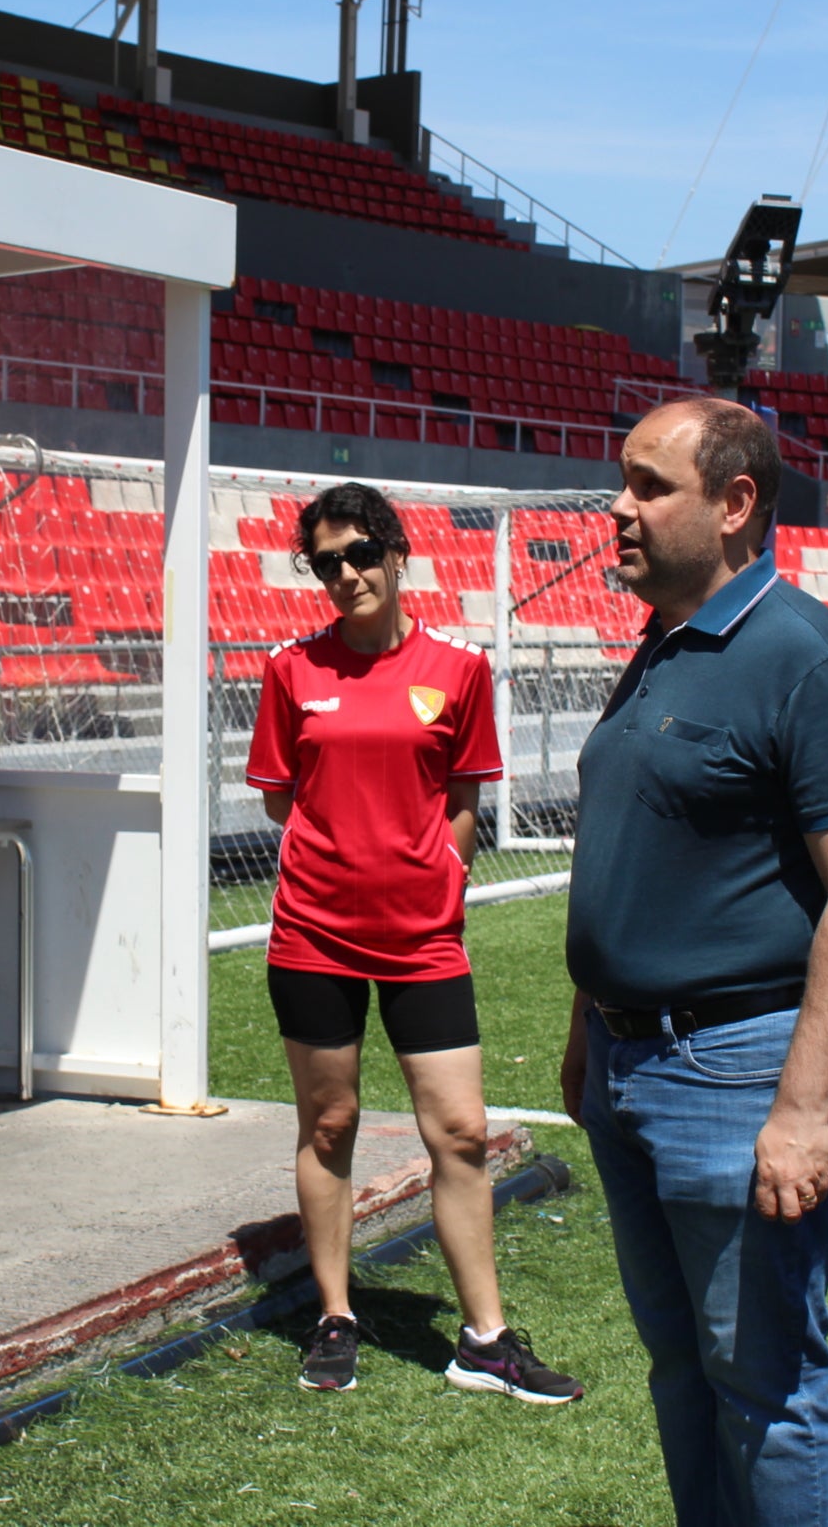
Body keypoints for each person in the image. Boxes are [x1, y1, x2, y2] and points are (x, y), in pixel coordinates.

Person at [556, 398, 828, 1527]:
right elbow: (631, 854)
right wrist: (585, 1029)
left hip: (739, 1067)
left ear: (737, 503)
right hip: (629, 1059)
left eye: (649, 486)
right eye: (622, 482)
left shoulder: (804, 655)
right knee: (682, 1369)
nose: (619, 508)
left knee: (764, 1383)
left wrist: (802, 1109)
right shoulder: (665, 641)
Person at [246, 481, 583, 1404]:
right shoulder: (289, 670)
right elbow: (282, 799)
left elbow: (468, 795)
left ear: (398, 556)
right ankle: (335, 1313)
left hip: (425, 937)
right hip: (312, 933)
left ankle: (484, 1337)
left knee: (462, 1131)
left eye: (360, 554)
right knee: (330, 1124)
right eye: (326, 562)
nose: (345, 574)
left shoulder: (460, 668)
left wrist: (441, 870)